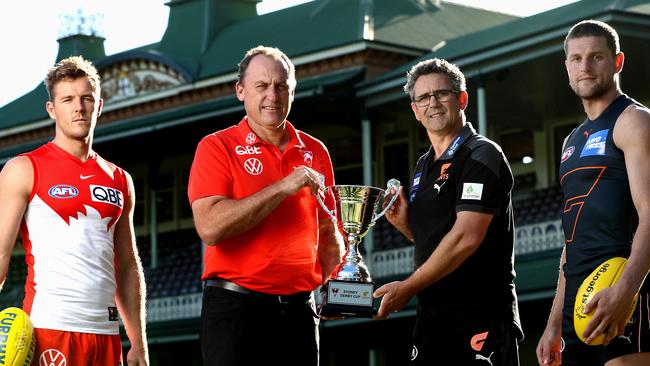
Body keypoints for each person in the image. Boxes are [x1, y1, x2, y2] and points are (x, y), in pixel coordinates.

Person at [187, 45, 344, 366]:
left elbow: (328, 229)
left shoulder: (315, 151)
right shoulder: (217, 146)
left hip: (300, 310)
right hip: (236, 306)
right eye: (261, 86)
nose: (272, 95)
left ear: (292, 92)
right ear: (240, 91)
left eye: (281, 86)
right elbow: (211, 228)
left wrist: (341, 285)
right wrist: (283, 188)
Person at [373, 58, 523, 365]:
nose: (433, 103)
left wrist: (407, 287)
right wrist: (405, 225)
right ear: (414, 110)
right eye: (423, 98)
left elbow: (467, 238)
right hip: (433, 316)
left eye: (442, 94)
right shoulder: (422, 167)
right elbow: (436, 242)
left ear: (462, 98)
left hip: (481, 315)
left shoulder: (482, 154)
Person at [0, 56, 148, 365]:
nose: (78, 107)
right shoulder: (24, 169)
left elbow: (127, 264)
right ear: (52, 110)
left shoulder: (120, 179)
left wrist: (138, 342)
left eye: (86, 98)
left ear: (99, 106)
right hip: (49, 331)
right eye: (67, 99)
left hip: (107, 337)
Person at [536, 20, 650, 366]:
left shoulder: (634, 121)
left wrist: (625, 290)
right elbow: (571, 241)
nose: (585, 67)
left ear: (617, 62)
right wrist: (555, 322)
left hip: (628, 297)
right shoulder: (571, 142)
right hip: (578, 310)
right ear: (567, 66)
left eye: (596, 57)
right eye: (576, 58)